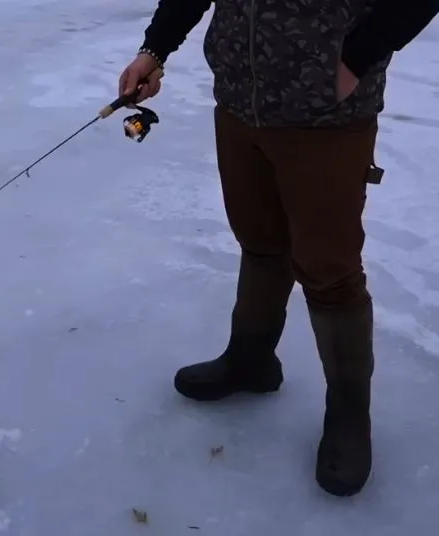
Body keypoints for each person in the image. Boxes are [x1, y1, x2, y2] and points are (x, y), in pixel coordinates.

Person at [119, 0, 439, 497]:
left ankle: (350, 415)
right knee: (261, 242)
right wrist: (155, 48)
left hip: (327, 114)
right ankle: (251, 361)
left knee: (329, 270)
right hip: (240, 102)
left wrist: (357, 56)